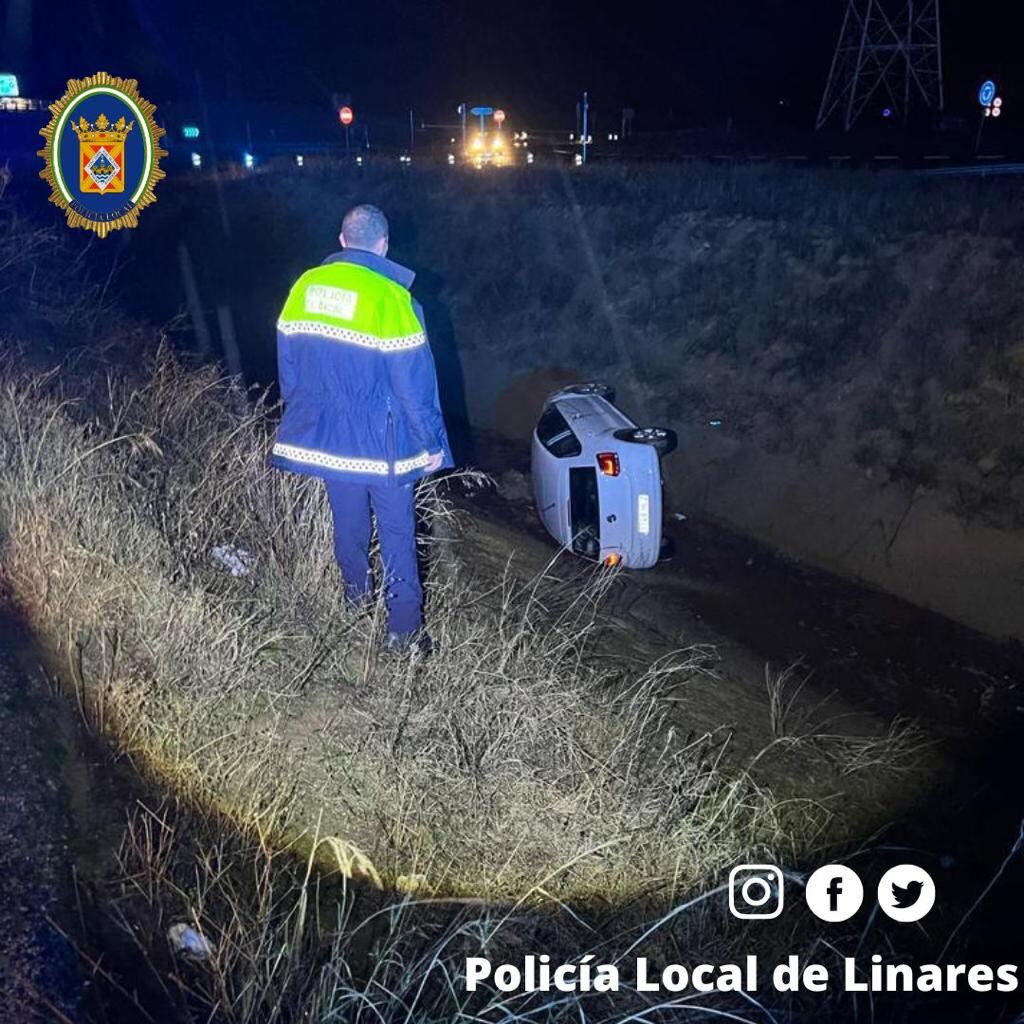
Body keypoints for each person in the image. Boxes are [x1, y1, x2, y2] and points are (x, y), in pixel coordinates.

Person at [270, 204, 453, 652]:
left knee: (347, 527)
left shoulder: (304, 287)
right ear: (384, 245)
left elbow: (290, 367)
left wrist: (306, 417)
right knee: (396, 535)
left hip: (333, 441)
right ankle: (404, 634)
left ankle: (355, 609)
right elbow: (414, 383)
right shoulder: (392, 298)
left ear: (342, 240)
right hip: (384, 445)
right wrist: (432, 442)